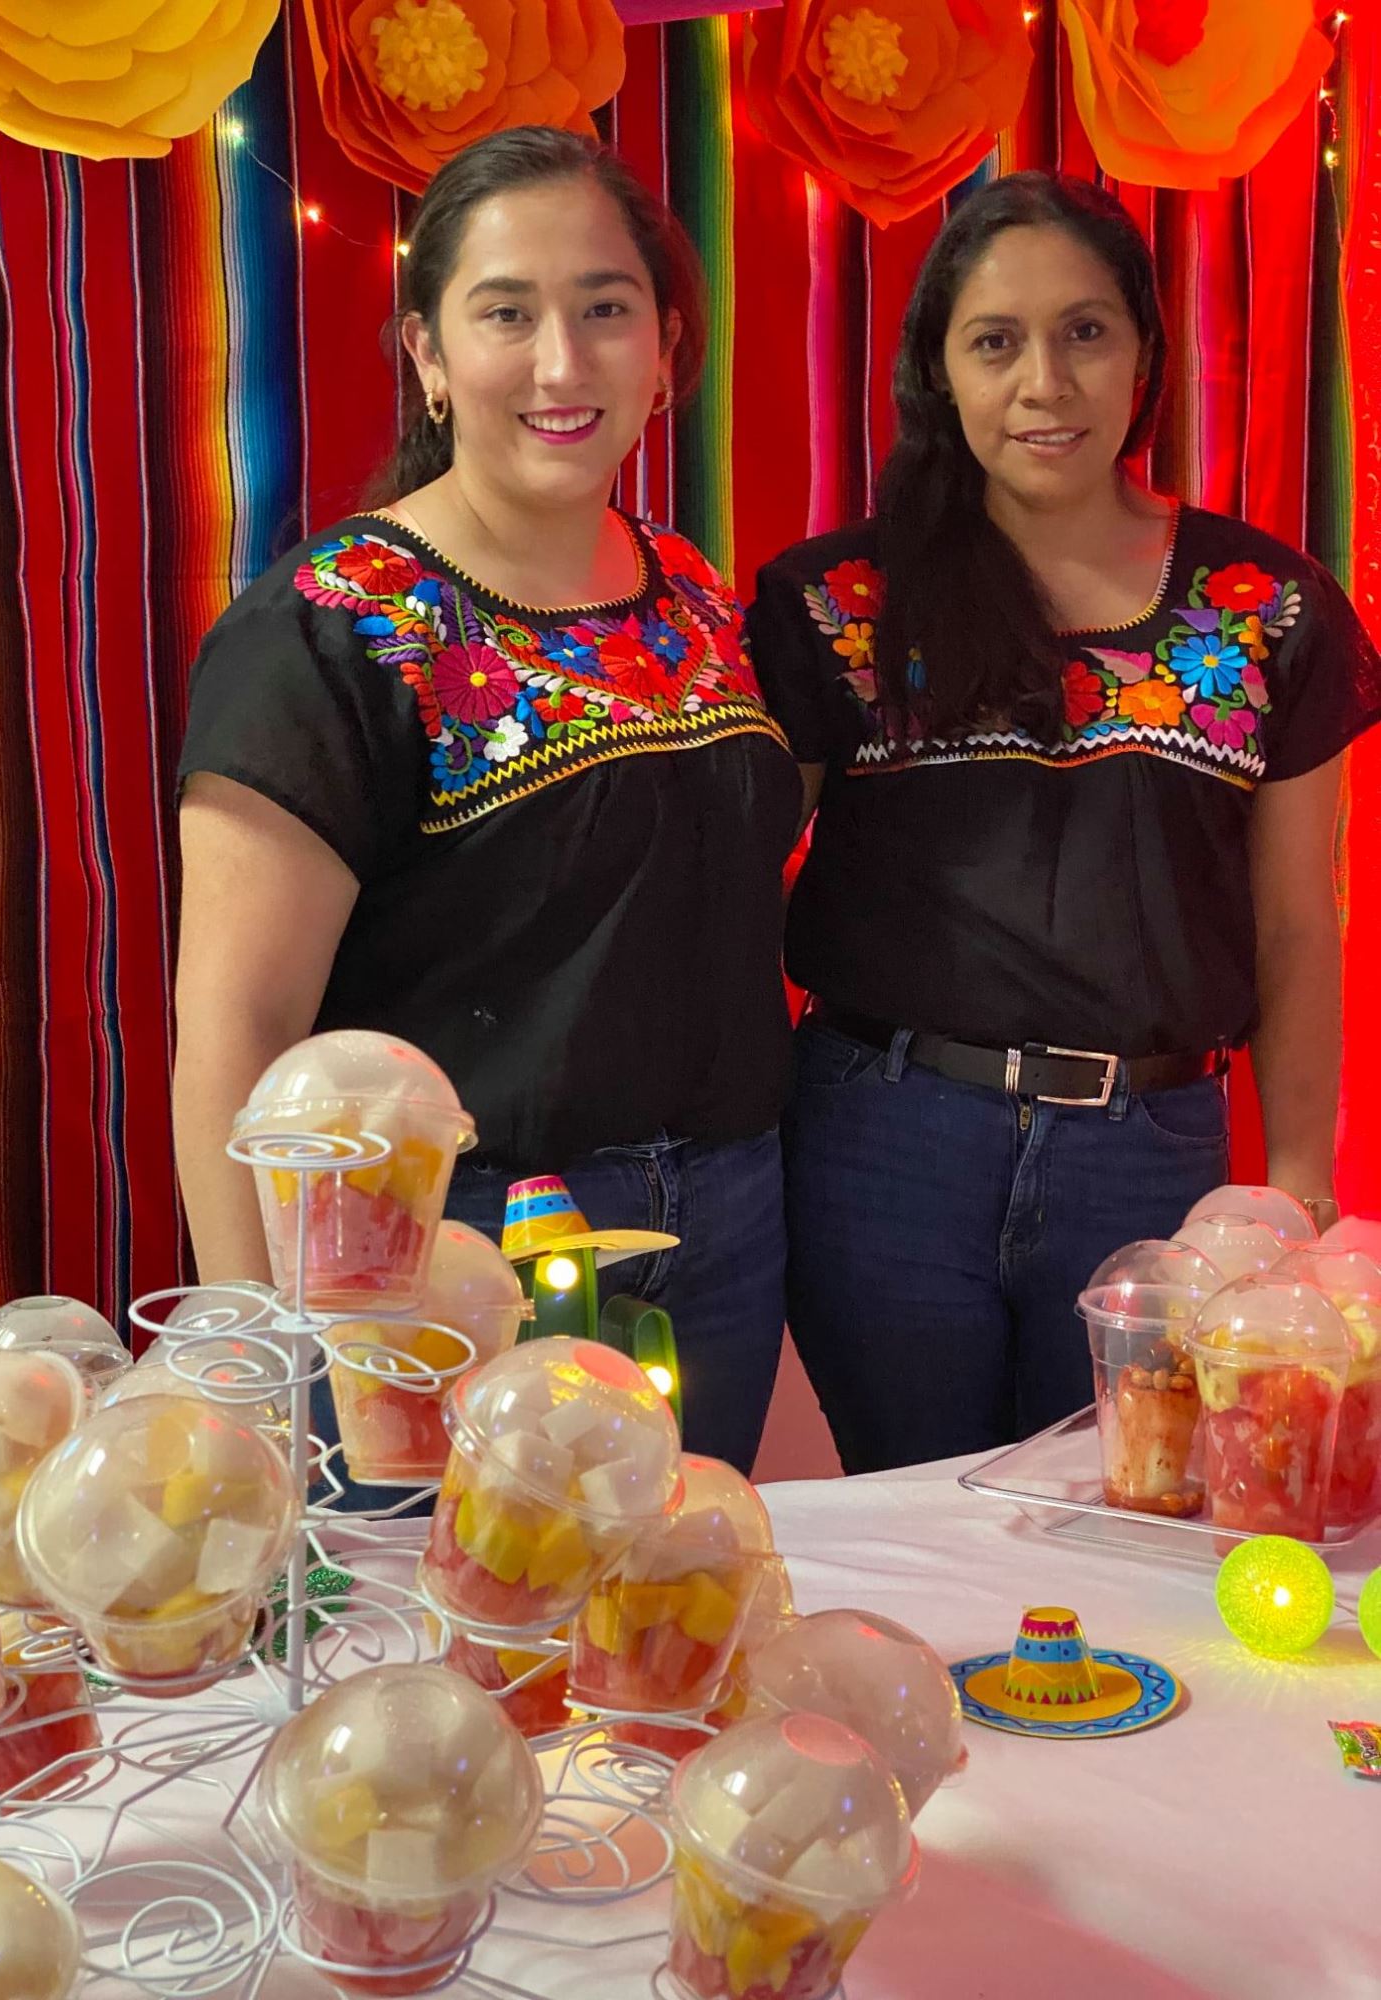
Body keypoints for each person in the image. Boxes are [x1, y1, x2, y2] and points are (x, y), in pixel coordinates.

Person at [174, 127, 799, 1477]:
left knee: (669, 1643)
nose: (562, 362)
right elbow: (236, 1032)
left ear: (666, 348)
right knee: (472, 1661)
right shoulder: (330, 633)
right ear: (429, 357)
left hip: (726, 1231)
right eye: (508, 312)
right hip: (448, 1254)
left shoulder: (694, 592)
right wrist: (262, 1375)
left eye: (605, 309)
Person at [746, 171, 1381, 1477]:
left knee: (1125, 1531)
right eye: (997, 341)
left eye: (1085, 331)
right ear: (940, 369)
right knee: (920, 1518)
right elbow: (737, 887)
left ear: (1145, 353)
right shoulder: (841, 603)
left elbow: (1291, 924)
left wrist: (1301, 1182)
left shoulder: (1266, 608)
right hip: (886, 1145)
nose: (1046, 381)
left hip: (1149, 1162)